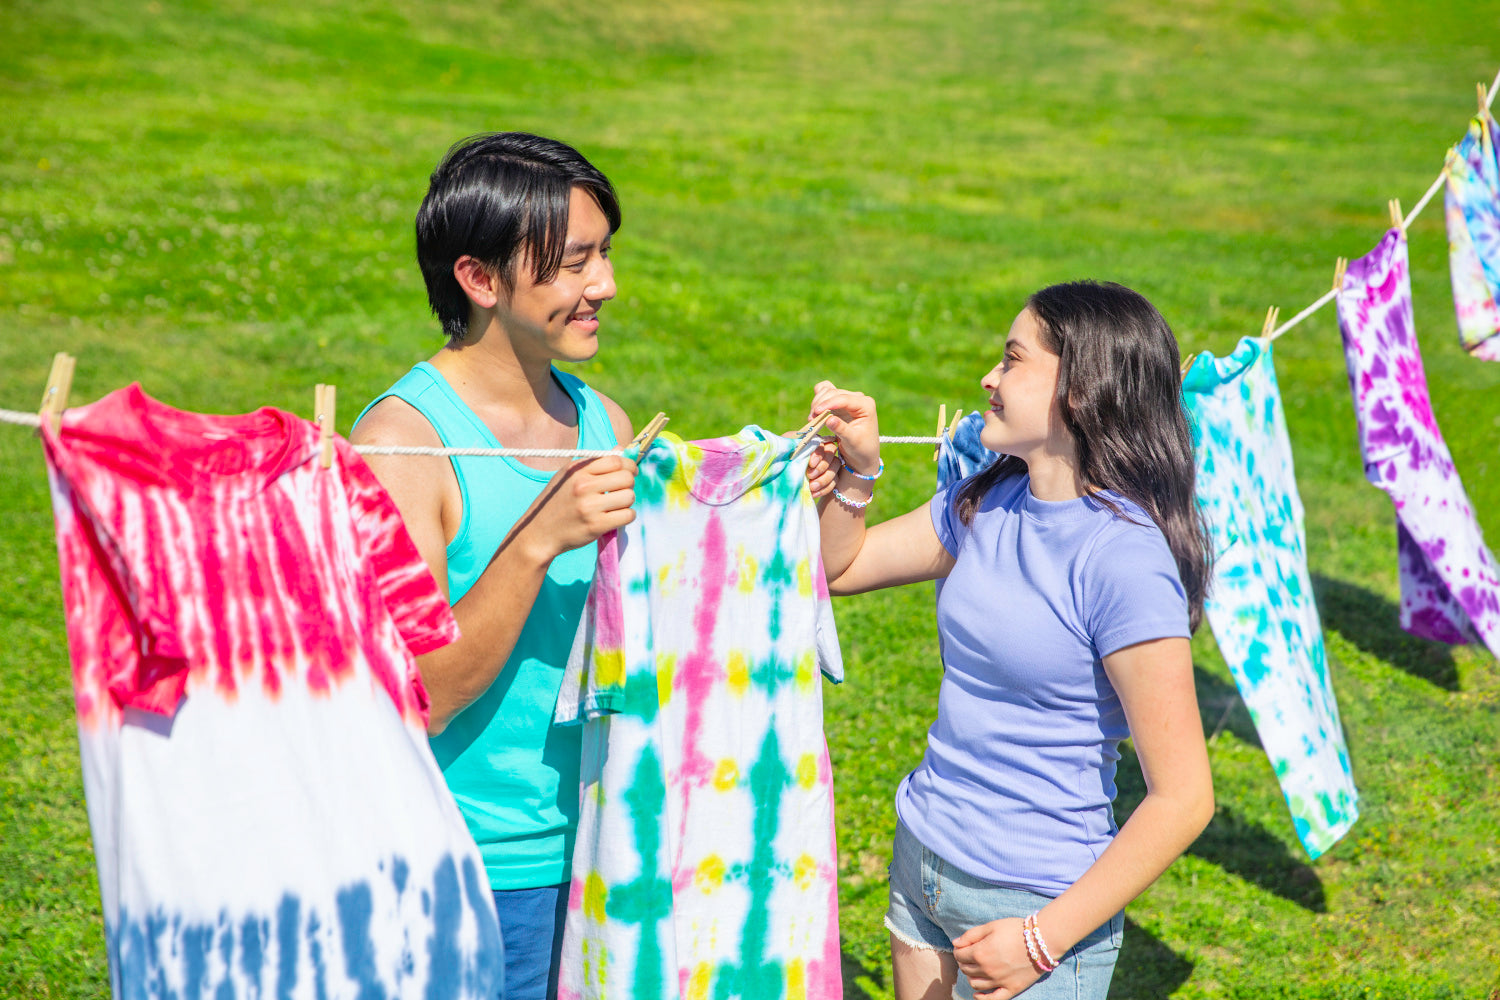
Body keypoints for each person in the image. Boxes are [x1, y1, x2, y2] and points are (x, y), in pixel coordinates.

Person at [805, 281, 1216, 1000]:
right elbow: (840, 568)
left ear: (1082, 392)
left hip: (1035, 903)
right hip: (924, 863)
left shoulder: (1123, 559)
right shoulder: (988, 498)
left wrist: (1041, 940)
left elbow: (1184, 798)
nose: (988, 379)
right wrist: (859, 475)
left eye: (1012, 360)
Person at [352, 132, 638, 1000]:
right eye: (575, 262)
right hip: (462, 865)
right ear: (479, 279)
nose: (606, 286)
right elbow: (422, 694)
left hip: (605, 852)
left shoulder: (608, 426)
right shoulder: (401, 446)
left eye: (606, 255)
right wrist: (539, 537)